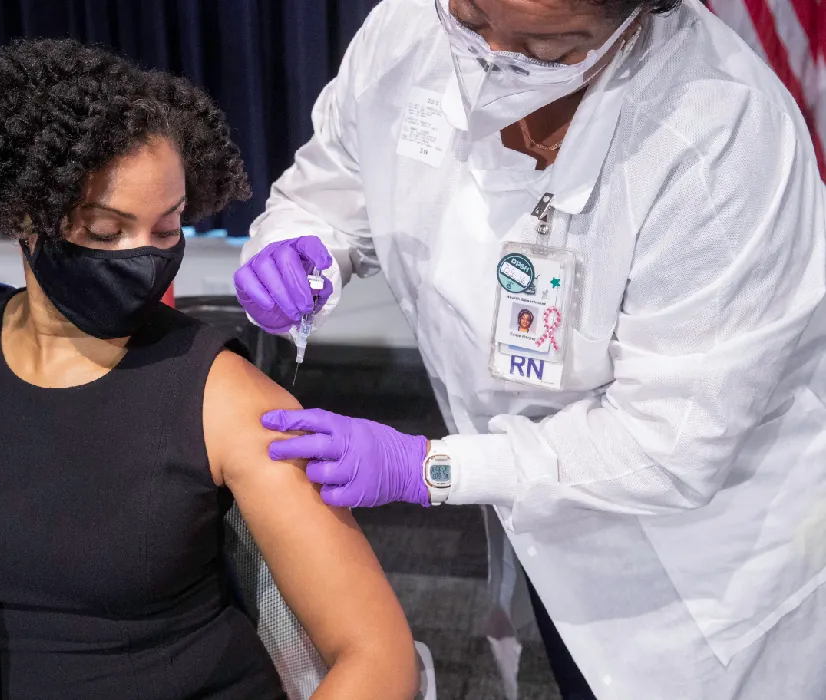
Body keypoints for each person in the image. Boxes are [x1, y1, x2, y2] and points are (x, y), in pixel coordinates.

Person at [233, 0, 826, 698]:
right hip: (537, 514)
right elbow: (334, 184)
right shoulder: (407, 30)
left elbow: (669, 444)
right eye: (473, 16)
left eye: (548, 48)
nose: (491, 57)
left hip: (696, 567)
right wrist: (304, 249)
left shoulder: (720, 136)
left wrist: (427, 469)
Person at [0, 38, 418, 700]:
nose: (143, 258)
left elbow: (376, 652)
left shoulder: (220, 393)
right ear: (26, 214)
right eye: (106, 232)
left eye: (166, 229)